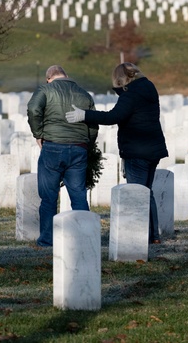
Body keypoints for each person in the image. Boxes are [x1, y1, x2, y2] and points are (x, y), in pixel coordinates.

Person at [66, 62, 168, 243]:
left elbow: (113, 116)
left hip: (137, 150)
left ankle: (138, 236)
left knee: (136, 194)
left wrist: (85, 115)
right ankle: (153, 236)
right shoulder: (148, 87)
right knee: (147, 193)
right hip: (153, 148)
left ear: (121, 79)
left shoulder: (131, 94)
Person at [27, 64, 96, 247]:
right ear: (66, 76)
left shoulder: (45, 90)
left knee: (49, 196)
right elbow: (93, 122)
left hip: (53, 146)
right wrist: (87, 144)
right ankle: (85, 238)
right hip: (79, 148)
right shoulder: (84, 94)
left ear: (49, 78)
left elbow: (34, 109)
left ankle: (47, 239)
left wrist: (38, 134)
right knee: (78, 195)